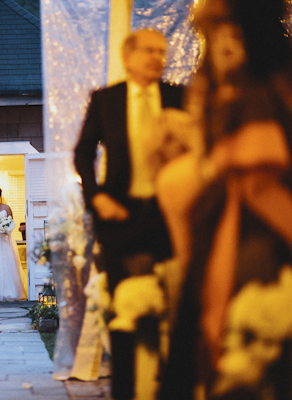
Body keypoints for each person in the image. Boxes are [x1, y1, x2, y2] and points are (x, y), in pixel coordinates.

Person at [156, 1, 292, 398]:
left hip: (257, 237)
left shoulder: (264, 92)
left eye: (234, 33)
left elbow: (262, 179)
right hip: (220, 223)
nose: (223, 45)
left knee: (251, 350)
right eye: (214, 34)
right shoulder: (218, 89)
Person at [73, 28, 184, 400]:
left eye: (162, 51)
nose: (158, 57)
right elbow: (82, 153)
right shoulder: (106, 100)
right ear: (128, 56)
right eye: (149, 51)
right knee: (124, 310)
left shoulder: (178, 97)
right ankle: (124, 391)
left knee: (176, 311)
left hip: (171, 218)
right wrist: (96, 197)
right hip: (121, 217)